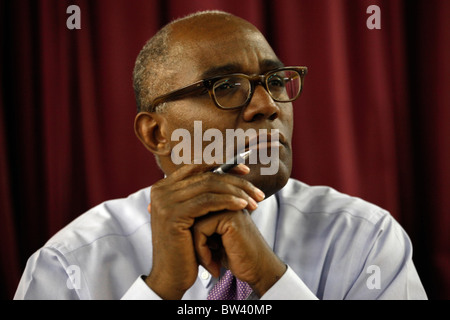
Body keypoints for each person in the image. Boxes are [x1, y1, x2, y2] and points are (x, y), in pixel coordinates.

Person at [14, 10, 427, 300]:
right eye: (226, 85)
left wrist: (269, 278)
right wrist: (159, 291)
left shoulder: (364, 240)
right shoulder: (68, 264)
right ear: (156, 132)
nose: (268, 105)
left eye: (276, 81)